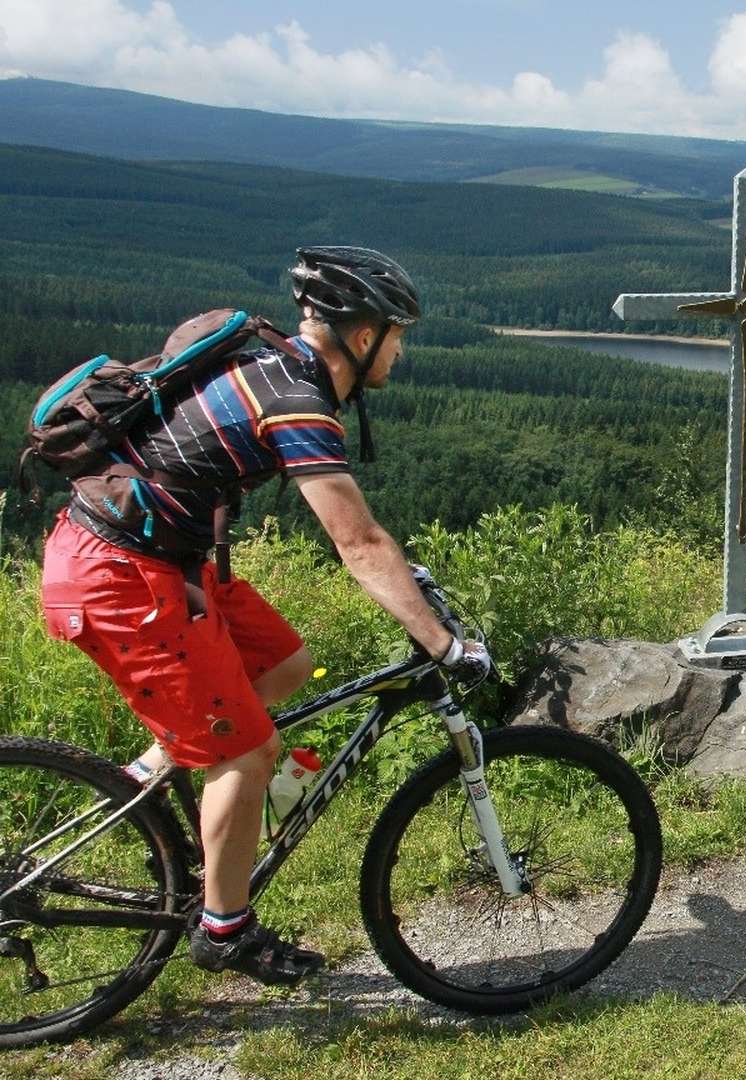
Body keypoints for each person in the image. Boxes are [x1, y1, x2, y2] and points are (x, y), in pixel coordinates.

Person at [39, 246, 490, 985]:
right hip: (120, 575)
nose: (402, 350)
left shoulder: (278, 365)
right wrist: (443, 645)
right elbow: (358, 540)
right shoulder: (296, 400)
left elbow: (367, 544)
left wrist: (408, 581)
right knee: (246, 754)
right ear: (362, 335)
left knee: (284, 665)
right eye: (397, 333)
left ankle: (163, 773)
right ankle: (225, 931)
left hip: (165, 565)